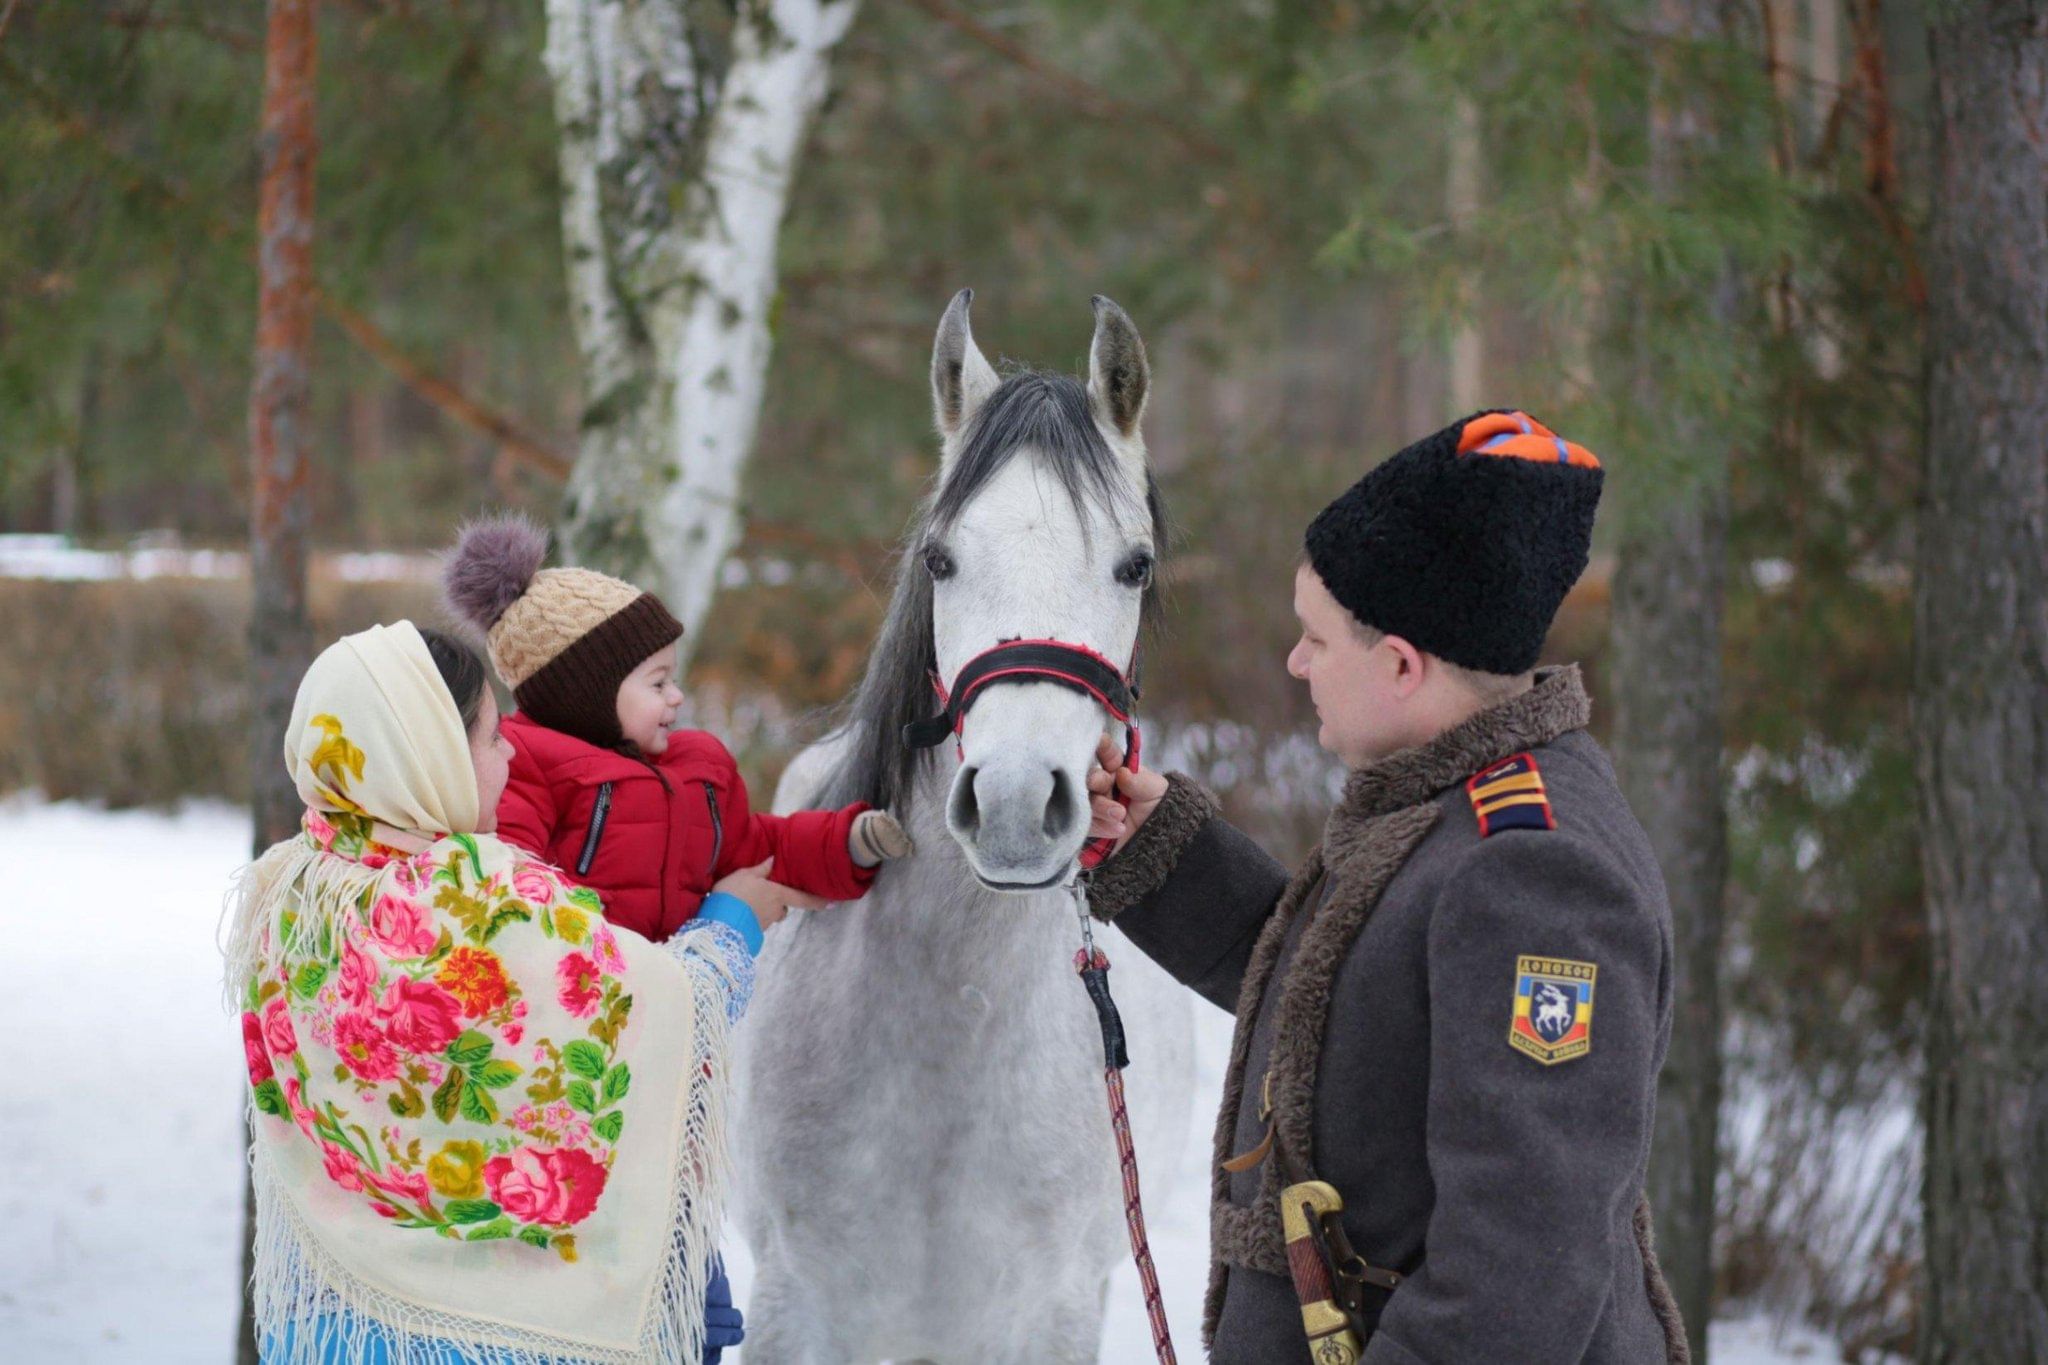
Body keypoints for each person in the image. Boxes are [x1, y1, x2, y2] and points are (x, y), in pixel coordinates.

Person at [1083, 411, 1690, 1363]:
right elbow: (1350, 1010)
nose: (1296, 663)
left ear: (1401, 665)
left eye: (1316, 640)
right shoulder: (1447, 805)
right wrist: (1163, 848)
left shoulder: (1535, 876)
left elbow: (1518, 1276)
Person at [224, 621, 814, 1362]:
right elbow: (650, 1014)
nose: (509, 756)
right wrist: (734, 918)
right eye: (491, 737)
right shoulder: (478, 898)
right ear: (429, 751)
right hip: (502, 1337)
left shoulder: (291, 888)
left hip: (332, 1322)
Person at [440, 515, 910, 947]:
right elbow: (509, 890)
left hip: (678, 1006)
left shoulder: (697, 768)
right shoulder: (528, 765)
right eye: (658, 682)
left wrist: (849, 843)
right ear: (587, 692)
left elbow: (756, 849)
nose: (676, 696)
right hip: (588, 1005)